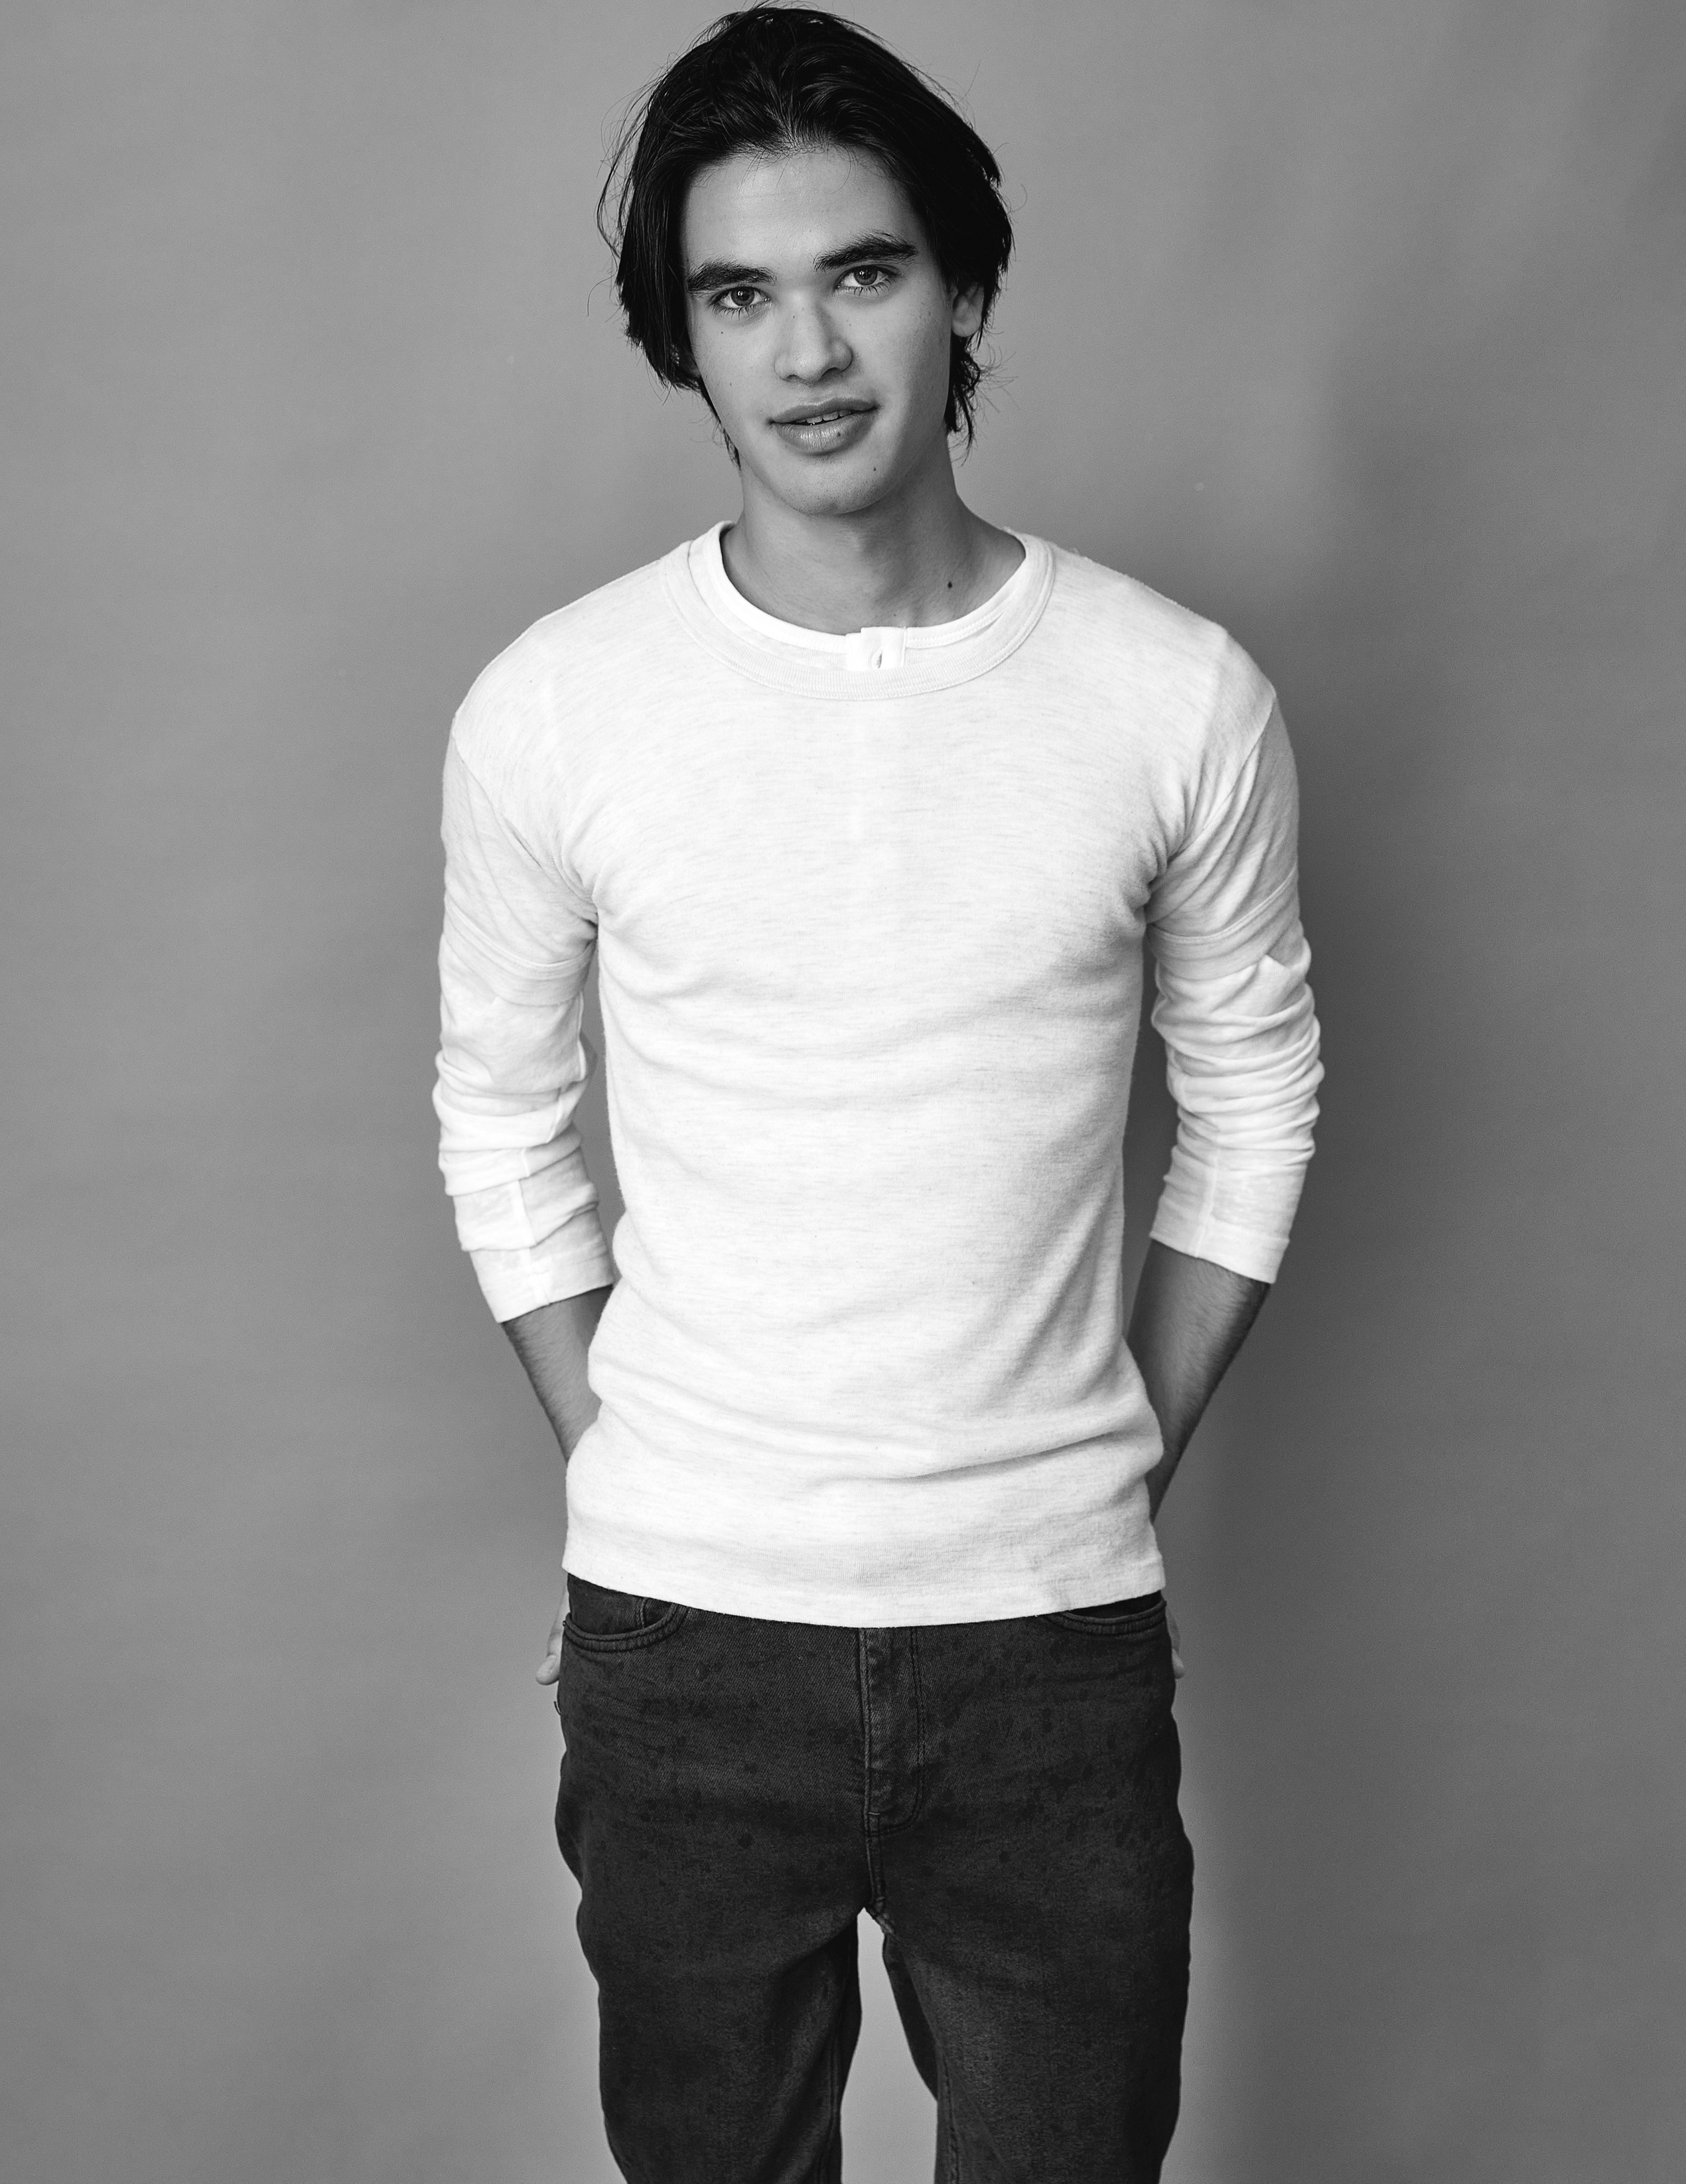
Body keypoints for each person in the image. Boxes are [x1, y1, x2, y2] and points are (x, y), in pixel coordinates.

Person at [433, 8, 1322, 2178]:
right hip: (684, 1640)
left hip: (1051, 1638)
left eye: (863, 271)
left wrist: (1116, 1447)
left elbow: (1255, 1096)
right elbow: (500, 1117)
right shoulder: (557, 709)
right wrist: (631, 1462)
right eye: (740, 295)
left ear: (962, 286)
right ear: (683, 336)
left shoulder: (1172, 695)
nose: (810, 351)